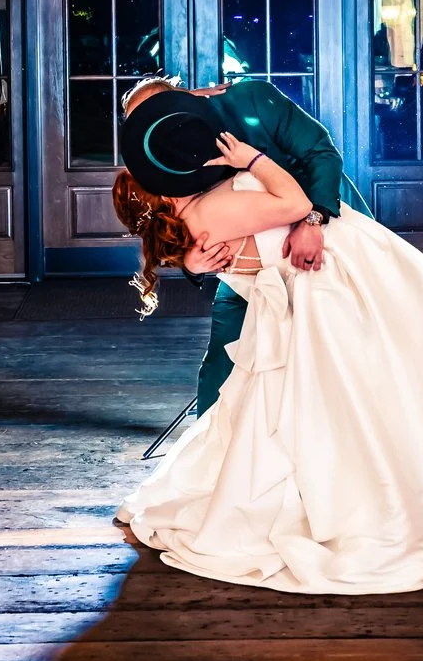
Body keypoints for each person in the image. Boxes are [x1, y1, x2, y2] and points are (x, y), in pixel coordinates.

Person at [108, 89, 423, 595]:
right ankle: (348, 496)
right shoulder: (199, 193)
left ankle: (391, 486)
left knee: (392, 377)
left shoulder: (245, 105)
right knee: (335, 393)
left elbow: (321, 152)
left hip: (326, 264)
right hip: (312, 284)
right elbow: (258, 217)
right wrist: (244, 181)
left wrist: (307, 221)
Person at [118, 76, 364, 416]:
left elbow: (320, 152)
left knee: (344, 358)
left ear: (179, 100)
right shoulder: (160, 149)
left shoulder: (251, 99)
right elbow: (170, 222)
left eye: (152, 114)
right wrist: (192, 263)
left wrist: (314, 220)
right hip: (255, 268)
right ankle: (215, 457)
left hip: (325, 231)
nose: (150, 130)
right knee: (221, 365)